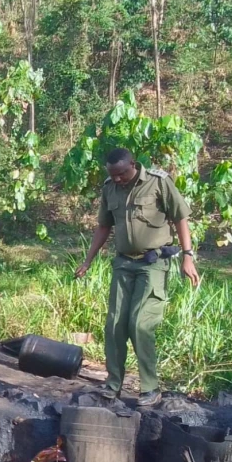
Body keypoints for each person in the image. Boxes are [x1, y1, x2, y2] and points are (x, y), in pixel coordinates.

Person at [75, 148, 199, 407]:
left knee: (140, 324)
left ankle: (150, 388)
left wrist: (188, 256)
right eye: (113, 175)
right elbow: (104, 226)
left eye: (121, 173)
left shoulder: (158, 182)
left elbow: (180, 218)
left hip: (152, 264)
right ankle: (112, 385)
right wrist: (88, 260)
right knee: (115, 326)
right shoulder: (110, 187)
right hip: (123, 264)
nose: (118, 179)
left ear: (133, 164)